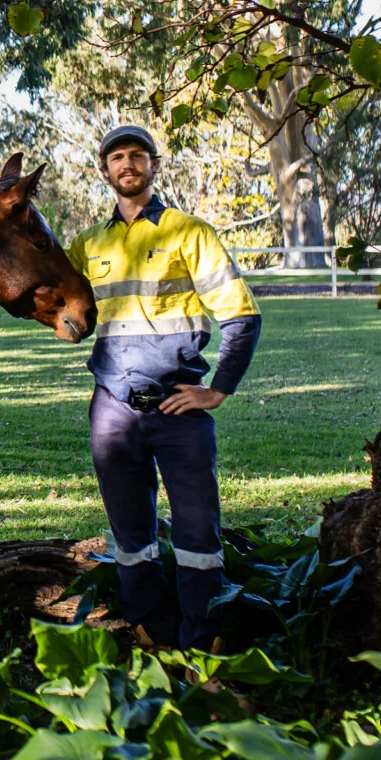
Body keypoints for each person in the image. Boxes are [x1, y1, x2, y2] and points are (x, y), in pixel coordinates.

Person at [65, 125, 261, 650]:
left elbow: (242, 318)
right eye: (117, 157)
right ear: (104, 170)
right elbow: (55, 300)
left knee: (198, 536)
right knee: (130, 535)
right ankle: (153, 633)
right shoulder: (87, 244)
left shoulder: (189, 232)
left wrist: (217, 390)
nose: (127, 164)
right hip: (112, 410)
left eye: (137, 156)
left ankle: (205, 641)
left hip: (180, 408)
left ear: (154, 164)